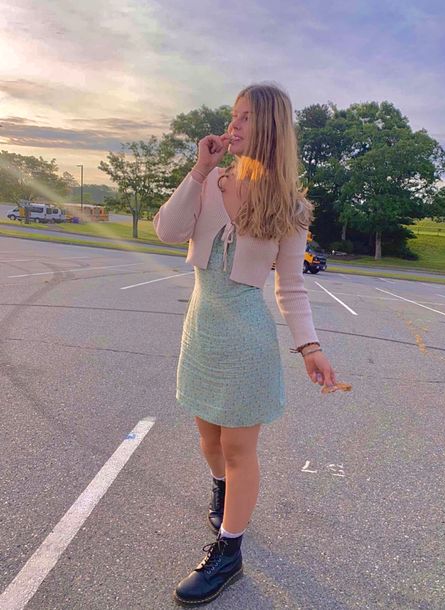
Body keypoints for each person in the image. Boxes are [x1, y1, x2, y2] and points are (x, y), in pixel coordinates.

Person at [153, 82, 337, 606]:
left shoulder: (291, 207)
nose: (232, 125)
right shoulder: (211, 182)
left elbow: (291, 287)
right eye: (232, 115)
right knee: (208, 441)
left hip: (246, 337)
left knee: (237, 448)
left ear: (271, 128)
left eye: (245, 118)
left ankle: (228, 553)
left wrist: (310, 348)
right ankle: (222, 491)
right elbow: (167, 231)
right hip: (201, 329)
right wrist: (199, 171)